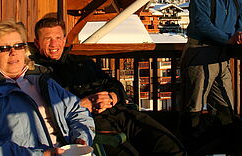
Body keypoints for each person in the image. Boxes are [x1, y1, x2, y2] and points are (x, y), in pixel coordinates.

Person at [31, 16, 186, 156]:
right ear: (37, 43)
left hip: (122, 113)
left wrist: (113, 96)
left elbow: (114, 83)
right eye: (47, 39)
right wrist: (80, 105)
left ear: (64, 40)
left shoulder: (82, 62)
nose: (54, 44)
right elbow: (45, 112)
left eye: (58, 37)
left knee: (171, 147)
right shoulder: (39, 76)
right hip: (93, 123)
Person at [0, 19, 95, 156]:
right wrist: (43, 155)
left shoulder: (42, 81)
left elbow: (77, 111)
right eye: (3, 48)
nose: (13, 52)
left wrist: (81, 138)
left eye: (18, 46)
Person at [180, 0, 242, 152]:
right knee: (194, 105)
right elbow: (201, 23)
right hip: (199, 53)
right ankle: (189, 148)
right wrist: (228, 39)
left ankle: (221, 146)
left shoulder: (239, 2)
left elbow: (241, 28)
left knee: (226, 105)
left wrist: (241, 36)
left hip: (223, 58)